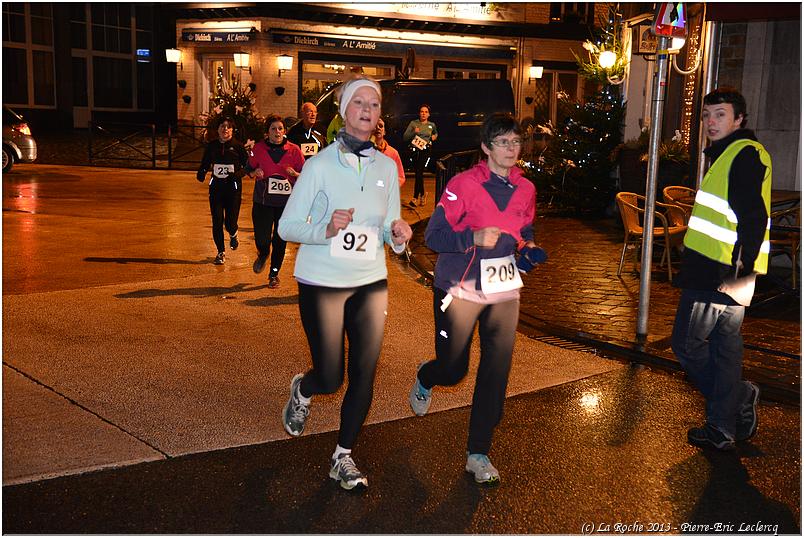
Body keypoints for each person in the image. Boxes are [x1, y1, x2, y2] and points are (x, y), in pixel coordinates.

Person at [277, 75, 413, 490]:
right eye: (359, 102)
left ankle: (343, 456)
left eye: (374, 104)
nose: (367, 110)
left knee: (365, 373)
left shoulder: (386, 166)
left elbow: (389, 225)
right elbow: (286, 226)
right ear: (344, 111)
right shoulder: (319, 166)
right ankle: (305, 388)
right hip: (321, 281)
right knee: (331, 377)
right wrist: (326, 230)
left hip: (370, 281)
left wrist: (399, 235)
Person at [408, 113, 545, 484]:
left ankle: (478, 452)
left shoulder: (526, 188)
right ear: (486, 147)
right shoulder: (463, 184)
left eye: (515, 141)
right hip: (459, 287)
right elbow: (433, 236)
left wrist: (527, 246)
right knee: (454, 369)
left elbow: (524, 226)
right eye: (503, 142)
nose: (511, 148)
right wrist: (472, 238)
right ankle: (427, 375)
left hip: (503, 288)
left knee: (496, 369)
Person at [671, 87, 771, 451]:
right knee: (725, 350)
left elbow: (753, 218)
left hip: (718, 271)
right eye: (707, 115)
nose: (711, 122)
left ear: (739, 119)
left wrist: (736, 270)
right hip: (734, 270)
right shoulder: (737, 153)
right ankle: (722, 429)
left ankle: (738, 398)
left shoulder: (741, 154)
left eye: (720, 115)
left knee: (687, 344)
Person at [248, 115, 305, 288]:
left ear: (284, 131)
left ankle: (274, 274)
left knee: (280, 241)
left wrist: (295, 174)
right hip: (263, 202)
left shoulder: (294, 150)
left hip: (286, 206)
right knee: (262, 240)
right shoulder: (258, 148)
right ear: (267, 132)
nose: (277, 132)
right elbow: (248, 169)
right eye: (273, 129)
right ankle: (263, 253)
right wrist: (254, 172)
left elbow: (307, 174)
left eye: (280, 128)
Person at [196, 116, 248, 265]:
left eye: (228, 127)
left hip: (233, 189)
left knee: (230, 222)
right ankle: (220, 252)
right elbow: (205, 162)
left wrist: (236, 175)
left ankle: (233, 234)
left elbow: (247, 166)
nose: (225, 129)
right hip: (216, 189)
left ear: (232, 130)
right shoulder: (212, 146)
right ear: (218, 129)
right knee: (217, 220)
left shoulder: (238, 147)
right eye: (222, 126)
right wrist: (202, 172)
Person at [402, 104, 438, 207]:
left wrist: (434, 136)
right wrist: (414, 132)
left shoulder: (431, 125)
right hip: (414, 151)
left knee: (419, 172)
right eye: (422, 111)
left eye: (426, 112)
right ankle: (422, 194)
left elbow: (435, 133)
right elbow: (405, 137)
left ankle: (415, 198)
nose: (423, 113)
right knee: (419, 174)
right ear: (419, 113)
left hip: (425, 151)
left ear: (429, 114)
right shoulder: (413, 123)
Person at [374, 117, 406, 187]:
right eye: (374, 126)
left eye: (381, 126)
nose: (378, 128)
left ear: (384, 132)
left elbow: (400, 177)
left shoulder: (393, 153)